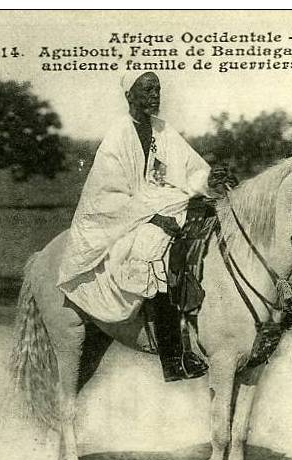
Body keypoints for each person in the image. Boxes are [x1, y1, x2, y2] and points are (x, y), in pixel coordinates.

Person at [57, 71, 222, 382]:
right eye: (146, 90)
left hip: (166, 203)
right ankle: (172, 356)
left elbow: (191, 169)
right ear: (129, 95)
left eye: (157, 89)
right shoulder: (118, 137)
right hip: (125, 218)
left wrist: (208, 181)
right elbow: (108, 197)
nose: (154, 96)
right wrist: (153, 216)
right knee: (154, 250)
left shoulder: (164, 131)